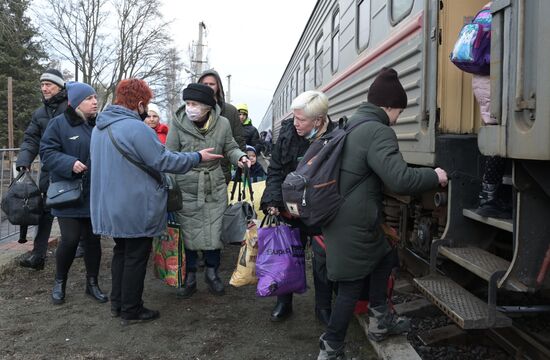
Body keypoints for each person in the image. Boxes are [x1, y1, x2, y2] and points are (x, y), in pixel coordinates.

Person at [317, 68, 448, 359]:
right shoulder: (378, 131)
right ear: (388, 107)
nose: (398, 118)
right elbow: (400, 179)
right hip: (353, 222)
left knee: (384, 258)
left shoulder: (351, 124)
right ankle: (330, 347)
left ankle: (379, 320)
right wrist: (434, 175)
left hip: (343, 217)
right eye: (399, 112)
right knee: (350, 286)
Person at [90, 79, 223, 325]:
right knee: (136, 256)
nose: (146, 109)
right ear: (140, 103)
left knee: (122, 251)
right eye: (146, 104)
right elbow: (163, 160)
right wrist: (196, 157)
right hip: (134, 204)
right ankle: (131, 309)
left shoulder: (100, 128)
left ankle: (117, 303)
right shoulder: (136, 128)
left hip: (109, 204)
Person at [166, 83, 250, 299]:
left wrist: (240, 157)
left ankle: (212, 273)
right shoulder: (178, 123)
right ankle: (190, 275)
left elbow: (230, 146)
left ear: (206, 106)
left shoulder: (222, 123)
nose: (190, 107)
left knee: (214, 232)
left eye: (194, 104)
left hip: (214, 185)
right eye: (187, 103)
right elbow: (170, 154)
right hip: (187, 186)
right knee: (188, 234)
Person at [260, 90, 335, 325]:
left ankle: (323, 306)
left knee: (323, 260)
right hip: (290, 209)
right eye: (294, 118)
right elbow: (275, 170)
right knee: (288, 254)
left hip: (322, 211)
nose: (295, 123)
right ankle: (284, 302)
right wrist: (272, 200)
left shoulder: (335, 137)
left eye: (301, 120)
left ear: (319, 121)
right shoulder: (288, 135)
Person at [39, 82, 107, 305]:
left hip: (93, 194)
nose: (95, 101)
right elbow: (47, 153)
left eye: (95, 97)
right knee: (69, 240)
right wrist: (70, 163)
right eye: (89, 98)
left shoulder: (100, 126)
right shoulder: (59, 124)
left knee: (93, 241)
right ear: (76, 102)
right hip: (68, 194)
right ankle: (60, 282)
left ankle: (92, 283)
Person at [16, 69, 67, 270]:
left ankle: (80, 245)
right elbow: (31, 139)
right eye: (42, 84)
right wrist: (24, 160)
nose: (44, 88)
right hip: (48, 172)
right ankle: (38, 256)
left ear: (60, 86)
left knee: (70, 212)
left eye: (49, 84)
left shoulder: (71, 108)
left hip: (70, 171)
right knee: (45, 214)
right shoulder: (40, 113)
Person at [198, 69, 246, 184]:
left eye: (212, 84)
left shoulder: (230, 111)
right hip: (194, 173)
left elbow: (238, 139)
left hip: (221, 172)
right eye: (205, 84)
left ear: (218, 86)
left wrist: (241, 160)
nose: (208, 87)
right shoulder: (192, 111)